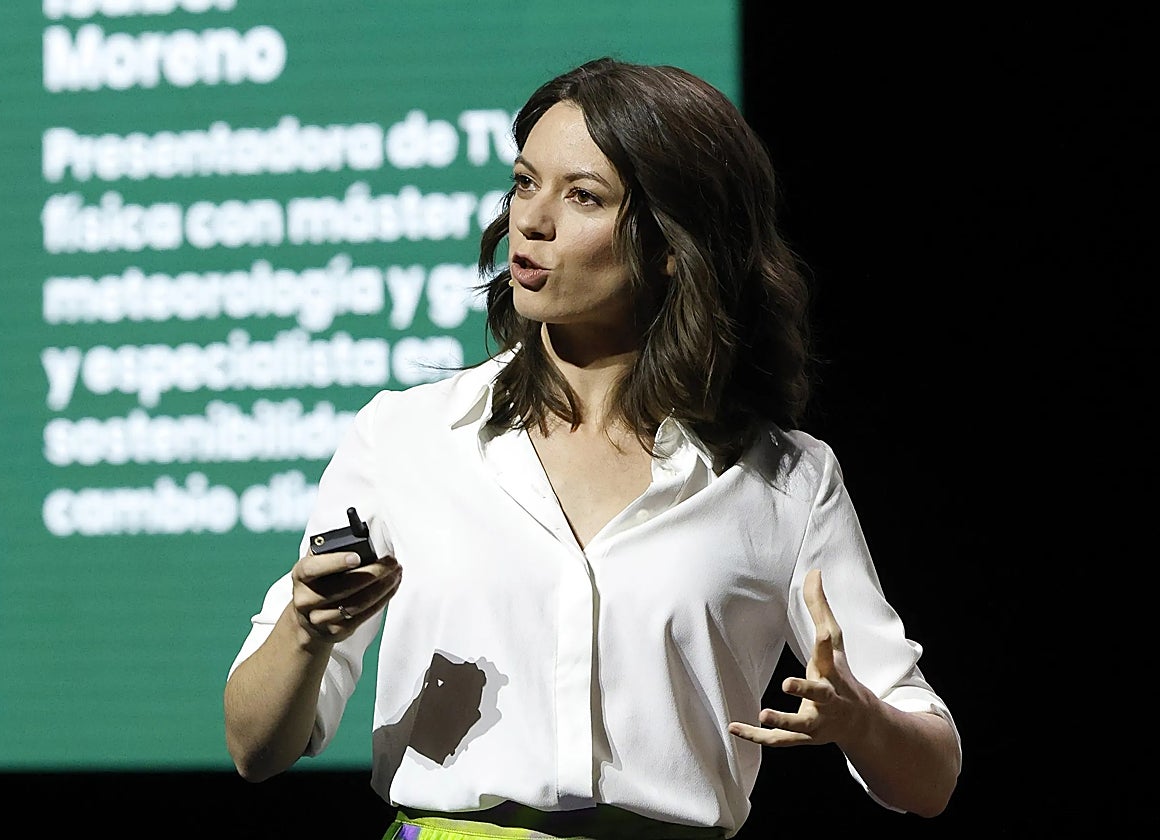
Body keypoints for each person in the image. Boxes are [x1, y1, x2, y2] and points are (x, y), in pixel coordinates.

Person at [223, 56, 962, 839]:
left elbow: (932, 779)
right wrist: (305, 628)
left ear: (674, 242)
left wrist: (860, 718)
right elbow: (254, 747)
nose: (531, 220)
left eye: (582, 196)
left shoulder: (782, 479)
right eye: (523, 182)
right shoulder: (407, 436)